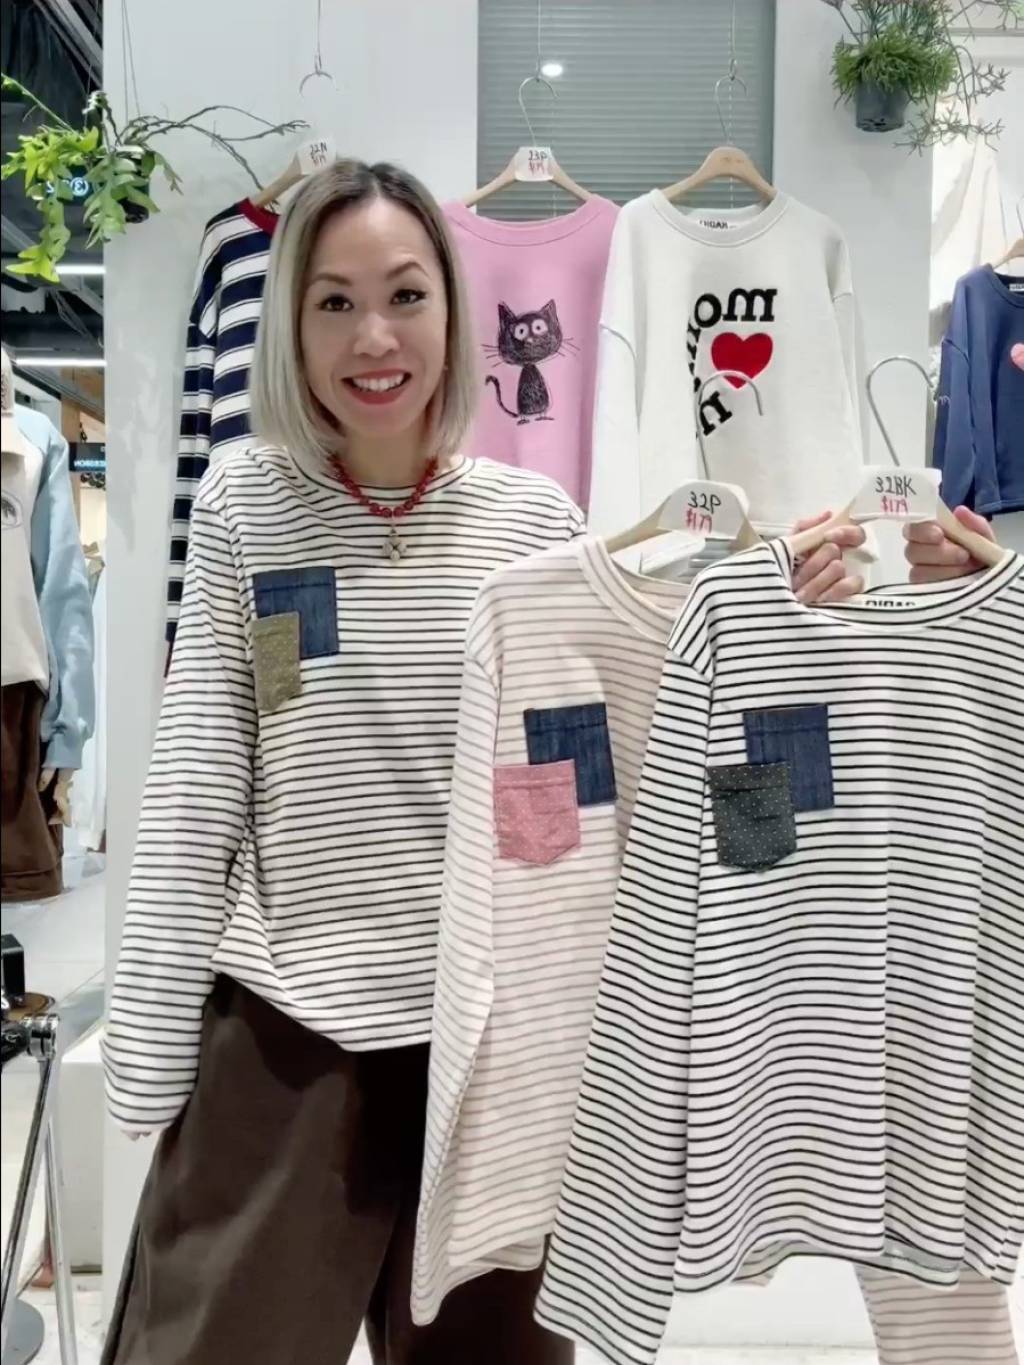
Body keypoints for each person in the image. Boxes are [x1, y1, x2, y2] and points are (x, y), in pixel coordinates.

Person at [100, 158, 990, 1365]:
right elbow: (201, 776)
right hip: (290, 1023)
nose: (375, 338)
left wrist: (802, 644)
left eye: (406, 295)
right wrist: (149, 1047)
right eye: (334, 301)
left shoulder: (532, 528)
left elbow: (639, 775)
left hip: (500, 1051)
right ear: (289, 325)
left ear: (454, 311)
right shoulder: (247, 507)